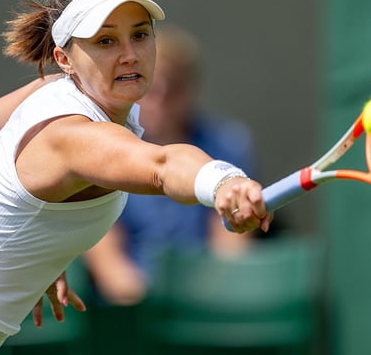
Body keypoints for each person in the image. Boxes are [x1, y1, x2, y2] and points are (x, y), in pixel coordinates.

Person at [0, 0, 273, 354]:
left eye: (140, 34)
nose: (130, 54)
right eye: (105, 41)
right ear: (64, 58)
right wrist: (222, 182)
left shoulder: (56, 91)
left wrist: (34, 245)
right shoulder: (72, 136)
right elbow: (162, 165)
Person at [84, 24, 260, 306]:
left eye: (173, 88)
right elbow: (109, 264)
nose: (161, 99)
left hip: (203, 302)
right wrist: (144, 302)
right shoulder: (101, 148)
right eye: (151, 88)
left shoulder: (227, 144)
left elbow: (231, 247)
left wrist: (204, 297)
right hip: (131, 311)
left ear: (192, 89)